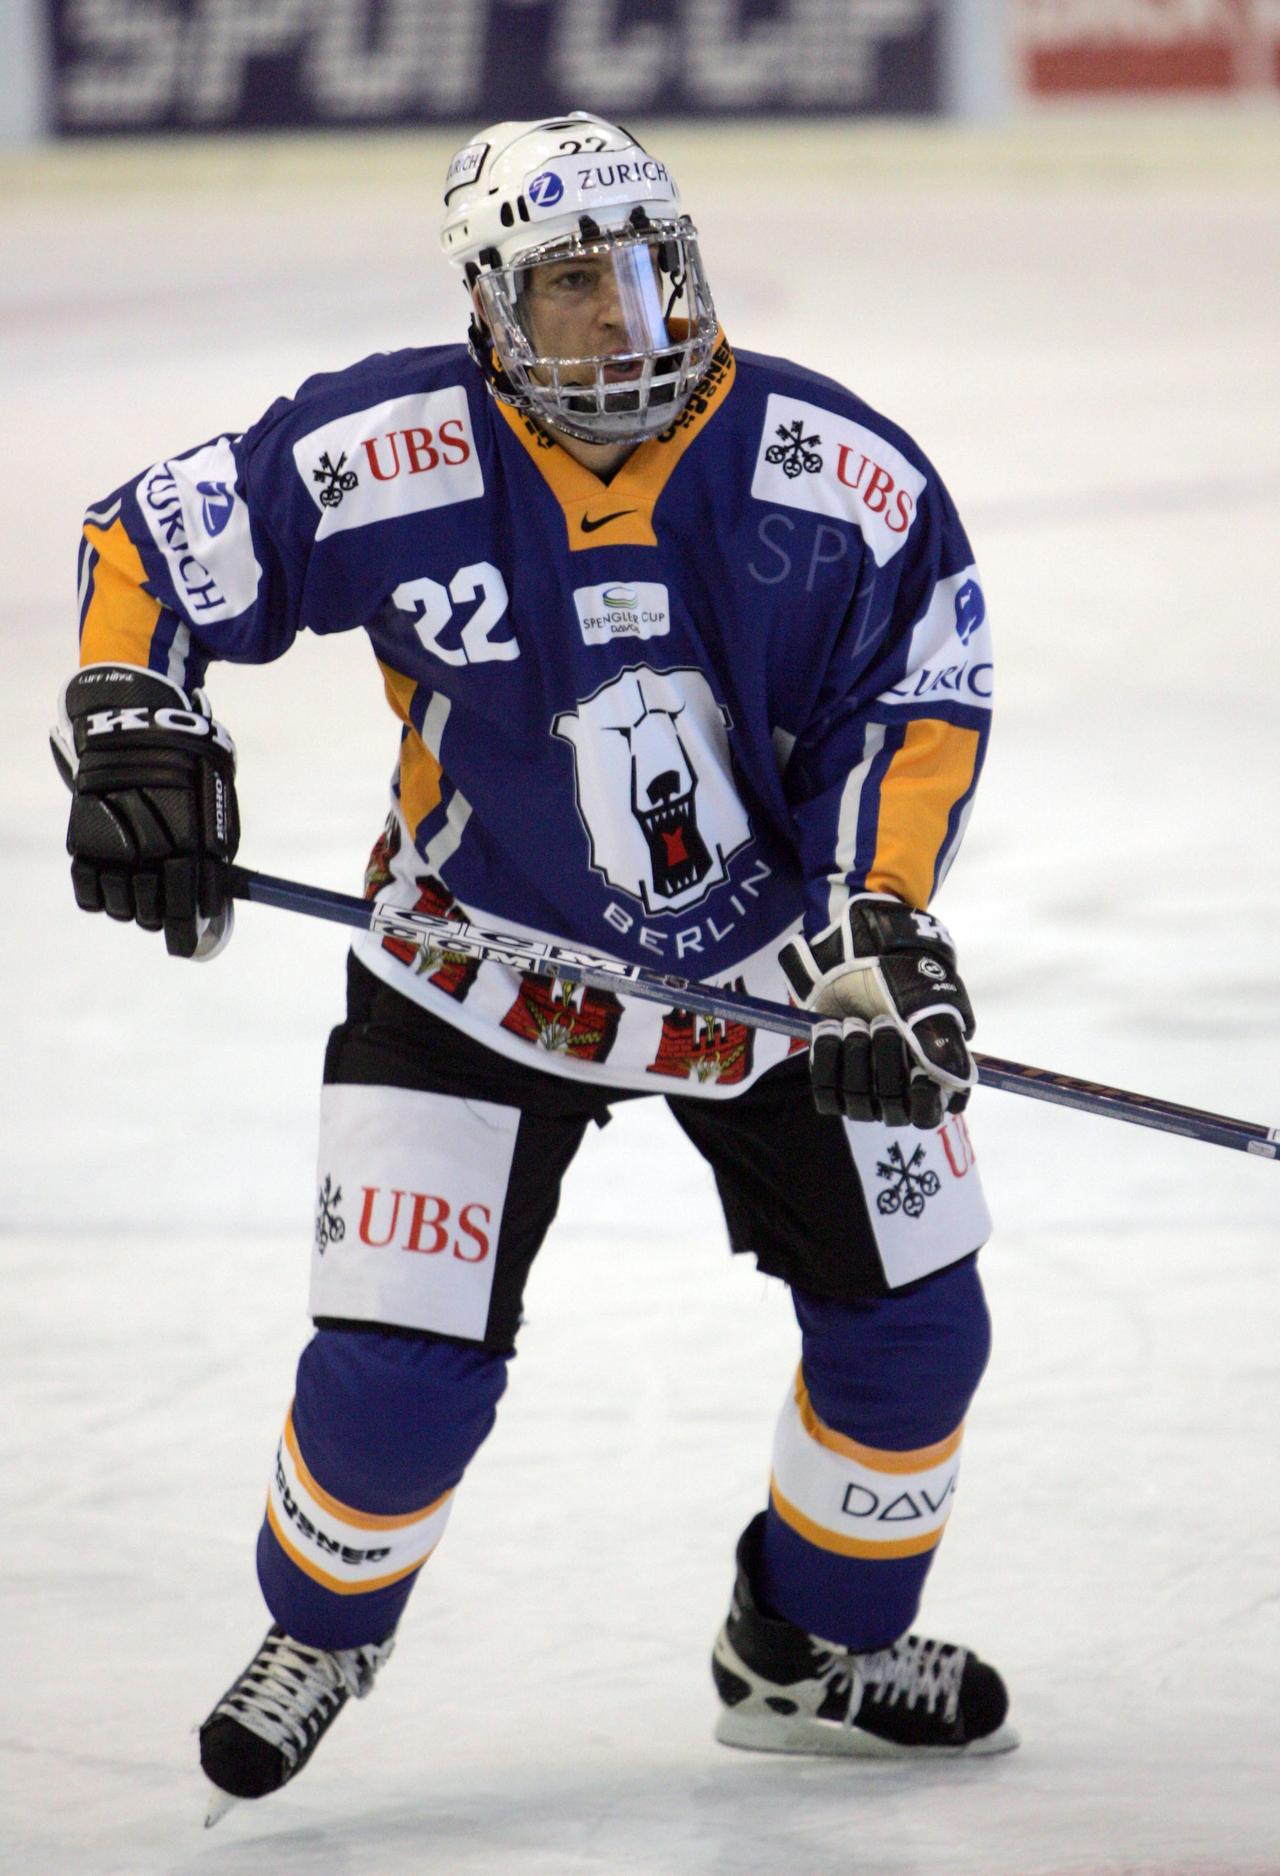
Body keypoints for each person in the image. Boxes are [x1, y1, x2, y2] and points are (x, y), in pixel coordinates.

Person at [53, 113, 1013, 1820]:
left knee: (917, 1334)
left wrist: (880, 923)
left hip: (781, 978)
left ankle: (807, 1654)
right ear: (495, 305)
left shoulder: (831, 470)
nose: (628, 318)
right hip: (476, 964)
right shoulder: (392, 443)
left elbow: (921, 688)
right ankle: (325, 1627)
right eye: (577, 286)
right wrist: (137, 718)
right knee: (392, 1380)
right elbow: (152, 542)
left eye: (654, 271)